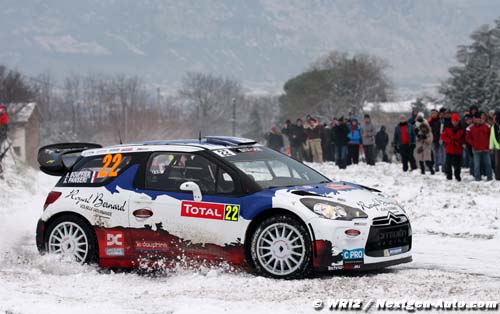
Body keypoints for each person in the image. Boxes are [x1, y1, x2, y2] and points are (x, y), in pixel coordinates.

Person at [466, 112, 493, 181]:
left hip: (485, 149)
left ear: (480, 118)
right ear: (474, 119)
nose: (477, 120)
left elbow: (491, 136)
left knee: (488, 164)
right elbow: (468, 138)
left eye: (478, 119)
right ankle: (477, 178)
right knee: (477, 165)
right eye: (475, 119)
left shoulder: (487, 126)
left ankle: (489, 177)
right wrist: (473, 143)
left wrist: (489, 144)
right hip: (476, 149)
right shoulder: (470, 128)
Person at [441, 113, 465, 181]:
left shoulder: (461, 129)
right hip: (449, 148)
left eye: (456, 121)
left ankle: (457, 175)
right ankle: (449, 176)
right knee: (448, 163)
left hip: (458, 148)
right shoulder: (447, 128)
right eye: (454, 120)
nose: (455, 122)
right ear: (451, 121)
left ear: (458, 121)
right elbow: (443, 136)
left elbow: (463, 138)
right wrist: (449, 141)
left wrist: (461, 143)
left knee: (457, 164)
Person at [490, 111, 500, 180]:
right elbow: (492, 137)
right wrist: (491, 147)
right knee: (497, 164)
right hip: (497, 148)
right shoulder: (493, 127)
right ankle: (498, 177)